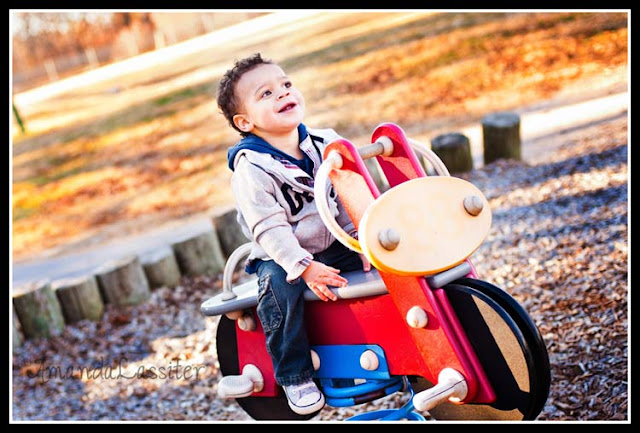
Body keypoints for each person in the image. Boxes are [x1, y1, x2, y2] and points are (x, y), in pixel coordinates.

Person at [218, 53, 370, 415]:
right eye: (266, 93)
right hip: (281, 255)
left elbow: (347, 195)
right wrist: (303, 267)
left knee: (385, 264)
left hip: (334, 241)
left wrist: (361, 239)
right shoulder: (251, 168)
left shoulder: (325, 143)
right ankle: (294, 374)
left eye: (285, 84)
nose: (283, 93)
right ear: (245, 121)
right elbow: (269, 228)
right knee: (277, 290)